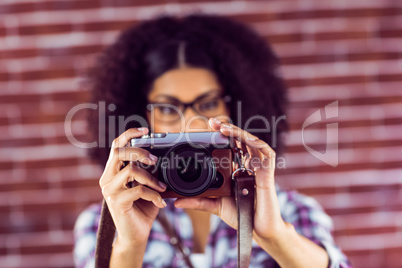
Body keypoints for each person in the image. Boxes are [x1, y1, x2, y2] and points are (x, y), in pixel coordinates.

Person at [73, 14, 351, 268]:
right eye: (169, 108)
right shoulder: (104, 220)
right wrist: (129, 246)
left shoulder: (290, 210)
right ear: (142, 117)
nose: (191, 122)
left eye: (207, 104)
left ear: (235, 108)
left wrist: (274, 235)